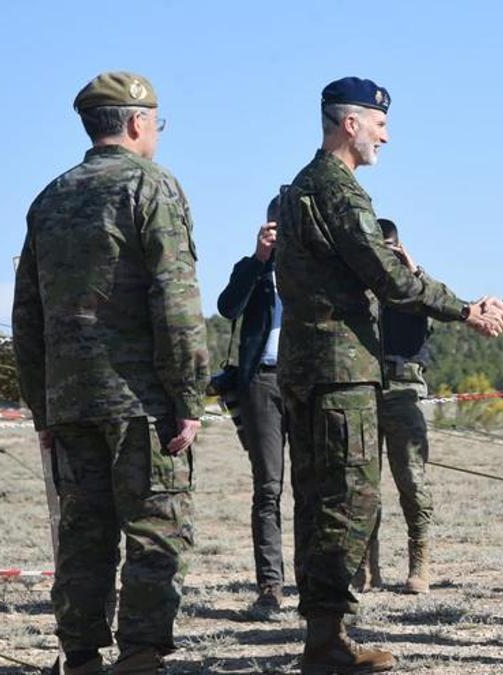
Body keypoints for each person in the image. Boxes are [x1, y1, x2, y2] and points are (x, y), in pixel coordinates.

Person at [276, 76, 503, 674]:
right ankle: (327, 640)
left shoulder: (303, 186)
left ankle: (324, 634)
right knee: (347, 504)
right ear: (349, 123)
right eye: (379, 121)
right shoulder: (338, 189)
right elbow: (390, 278)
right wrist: (465, 309)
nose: (386, 133)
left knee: (317, 501)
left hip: (310, 371)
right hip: (339, 373)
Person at [12, 71, 208, 675]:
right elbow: (176, 301)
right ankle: (142, 658)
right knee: (153, 535)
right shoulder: (152, 187)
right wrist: (189, 396)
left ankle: (80, 657)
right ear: (136, 122)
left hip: (71, 402)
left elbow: (27, 317)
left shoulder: (49, 198)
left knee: (83, 535)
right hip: (140, 402)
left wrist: (44, 410)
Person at [216, 192, 289, 615]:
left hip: (307, 378)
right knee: (268, 487)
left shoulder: (318, 269)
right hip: (262, 380)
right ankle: (270, 586)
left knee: (316, 487)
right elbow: (229, 307)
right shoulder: (254, 269)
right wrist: (259, 259)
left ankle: (320, 582)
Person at [374, 217, 437, 595]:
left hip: (404, 387)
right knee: (361, 486)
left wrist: (412, 269)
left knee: (412, 480)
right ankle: (368, 564)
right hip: (365, 386)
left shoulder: (412, 289)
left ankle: (420, 559)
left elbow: (433, 304)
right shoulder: (360, 287)